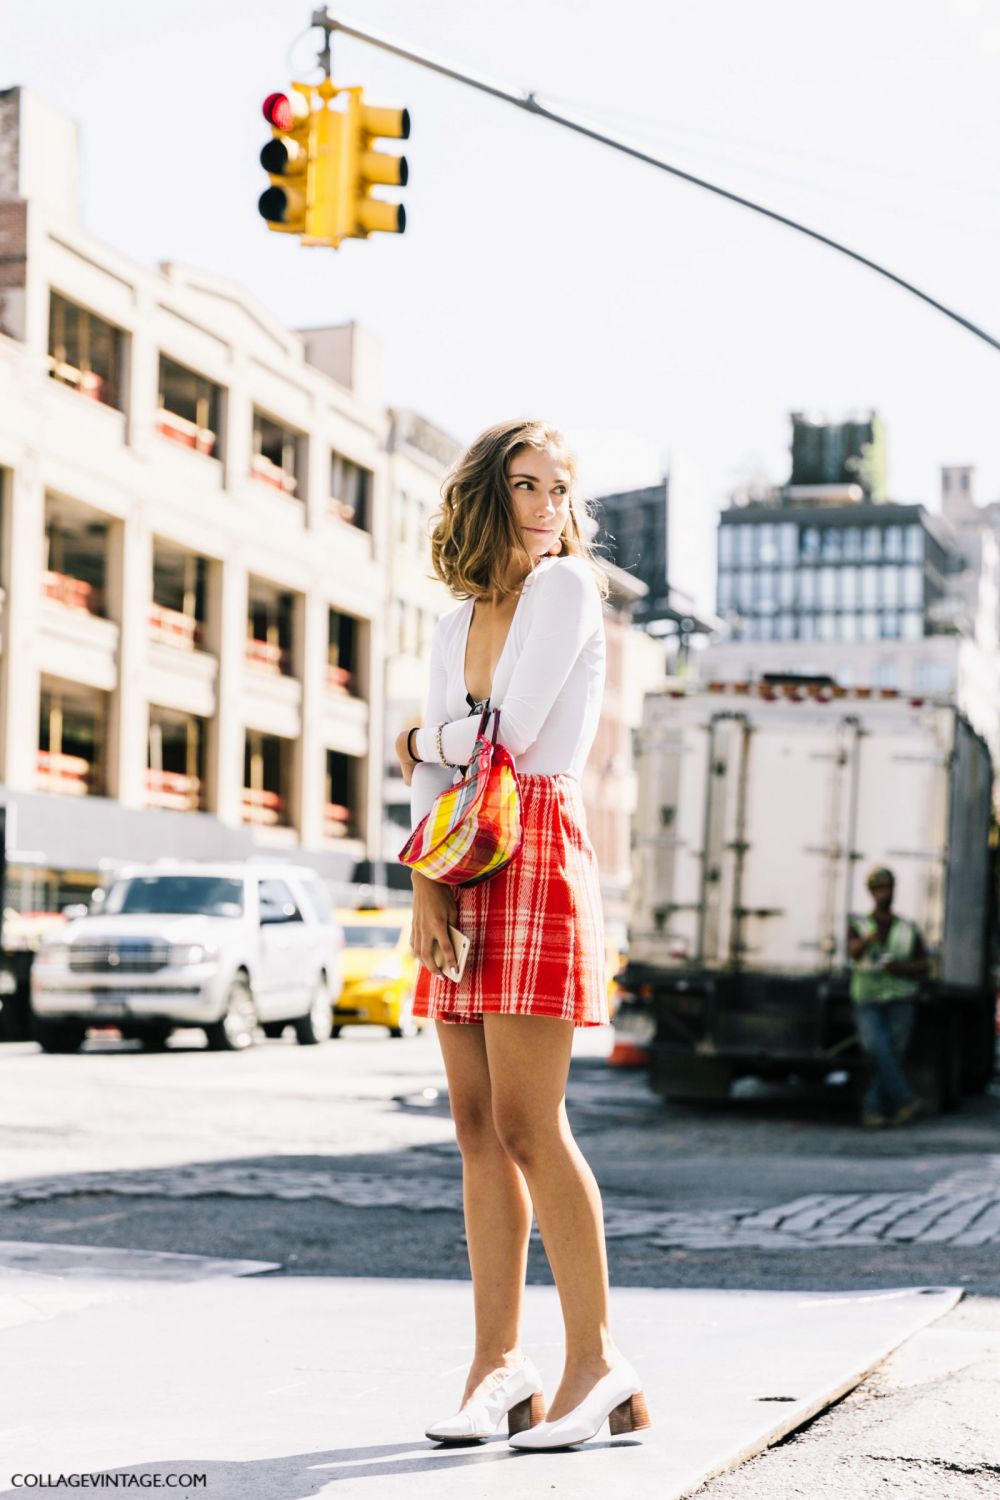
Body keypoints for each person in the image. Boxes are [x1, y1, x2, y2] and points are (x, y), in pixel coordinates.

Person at [394, 419, 650, 1452]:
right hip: (455, 856)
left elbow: (502, 736)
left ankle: (598, 1362)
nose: (548, 505)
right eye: (525, 484)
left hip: (536, 844)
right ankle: (496, 1367)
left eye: (562, 488)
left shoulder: (565, 589)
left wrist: (422, 738)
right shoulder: (457, 619)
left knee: (530, 1123)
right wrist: (423, 878)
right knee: (471, 1122)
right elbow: (437, 762)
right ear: (485, 493)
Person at [847, 866, 928, 1128]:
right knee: (877, 1049)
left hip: (901, 998)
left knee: (891, 1053)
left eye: (888, 887)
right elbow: (853, 952)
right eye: (879, 888)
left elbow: (923, 965)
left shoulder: (907, 927)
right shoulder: (860, 925)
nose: (884, 893)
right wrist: (869, 940)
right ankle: (905, 1099)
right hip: (868, 998)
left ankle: (872, 1111)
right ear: (871, 893)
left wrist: (899, 969)